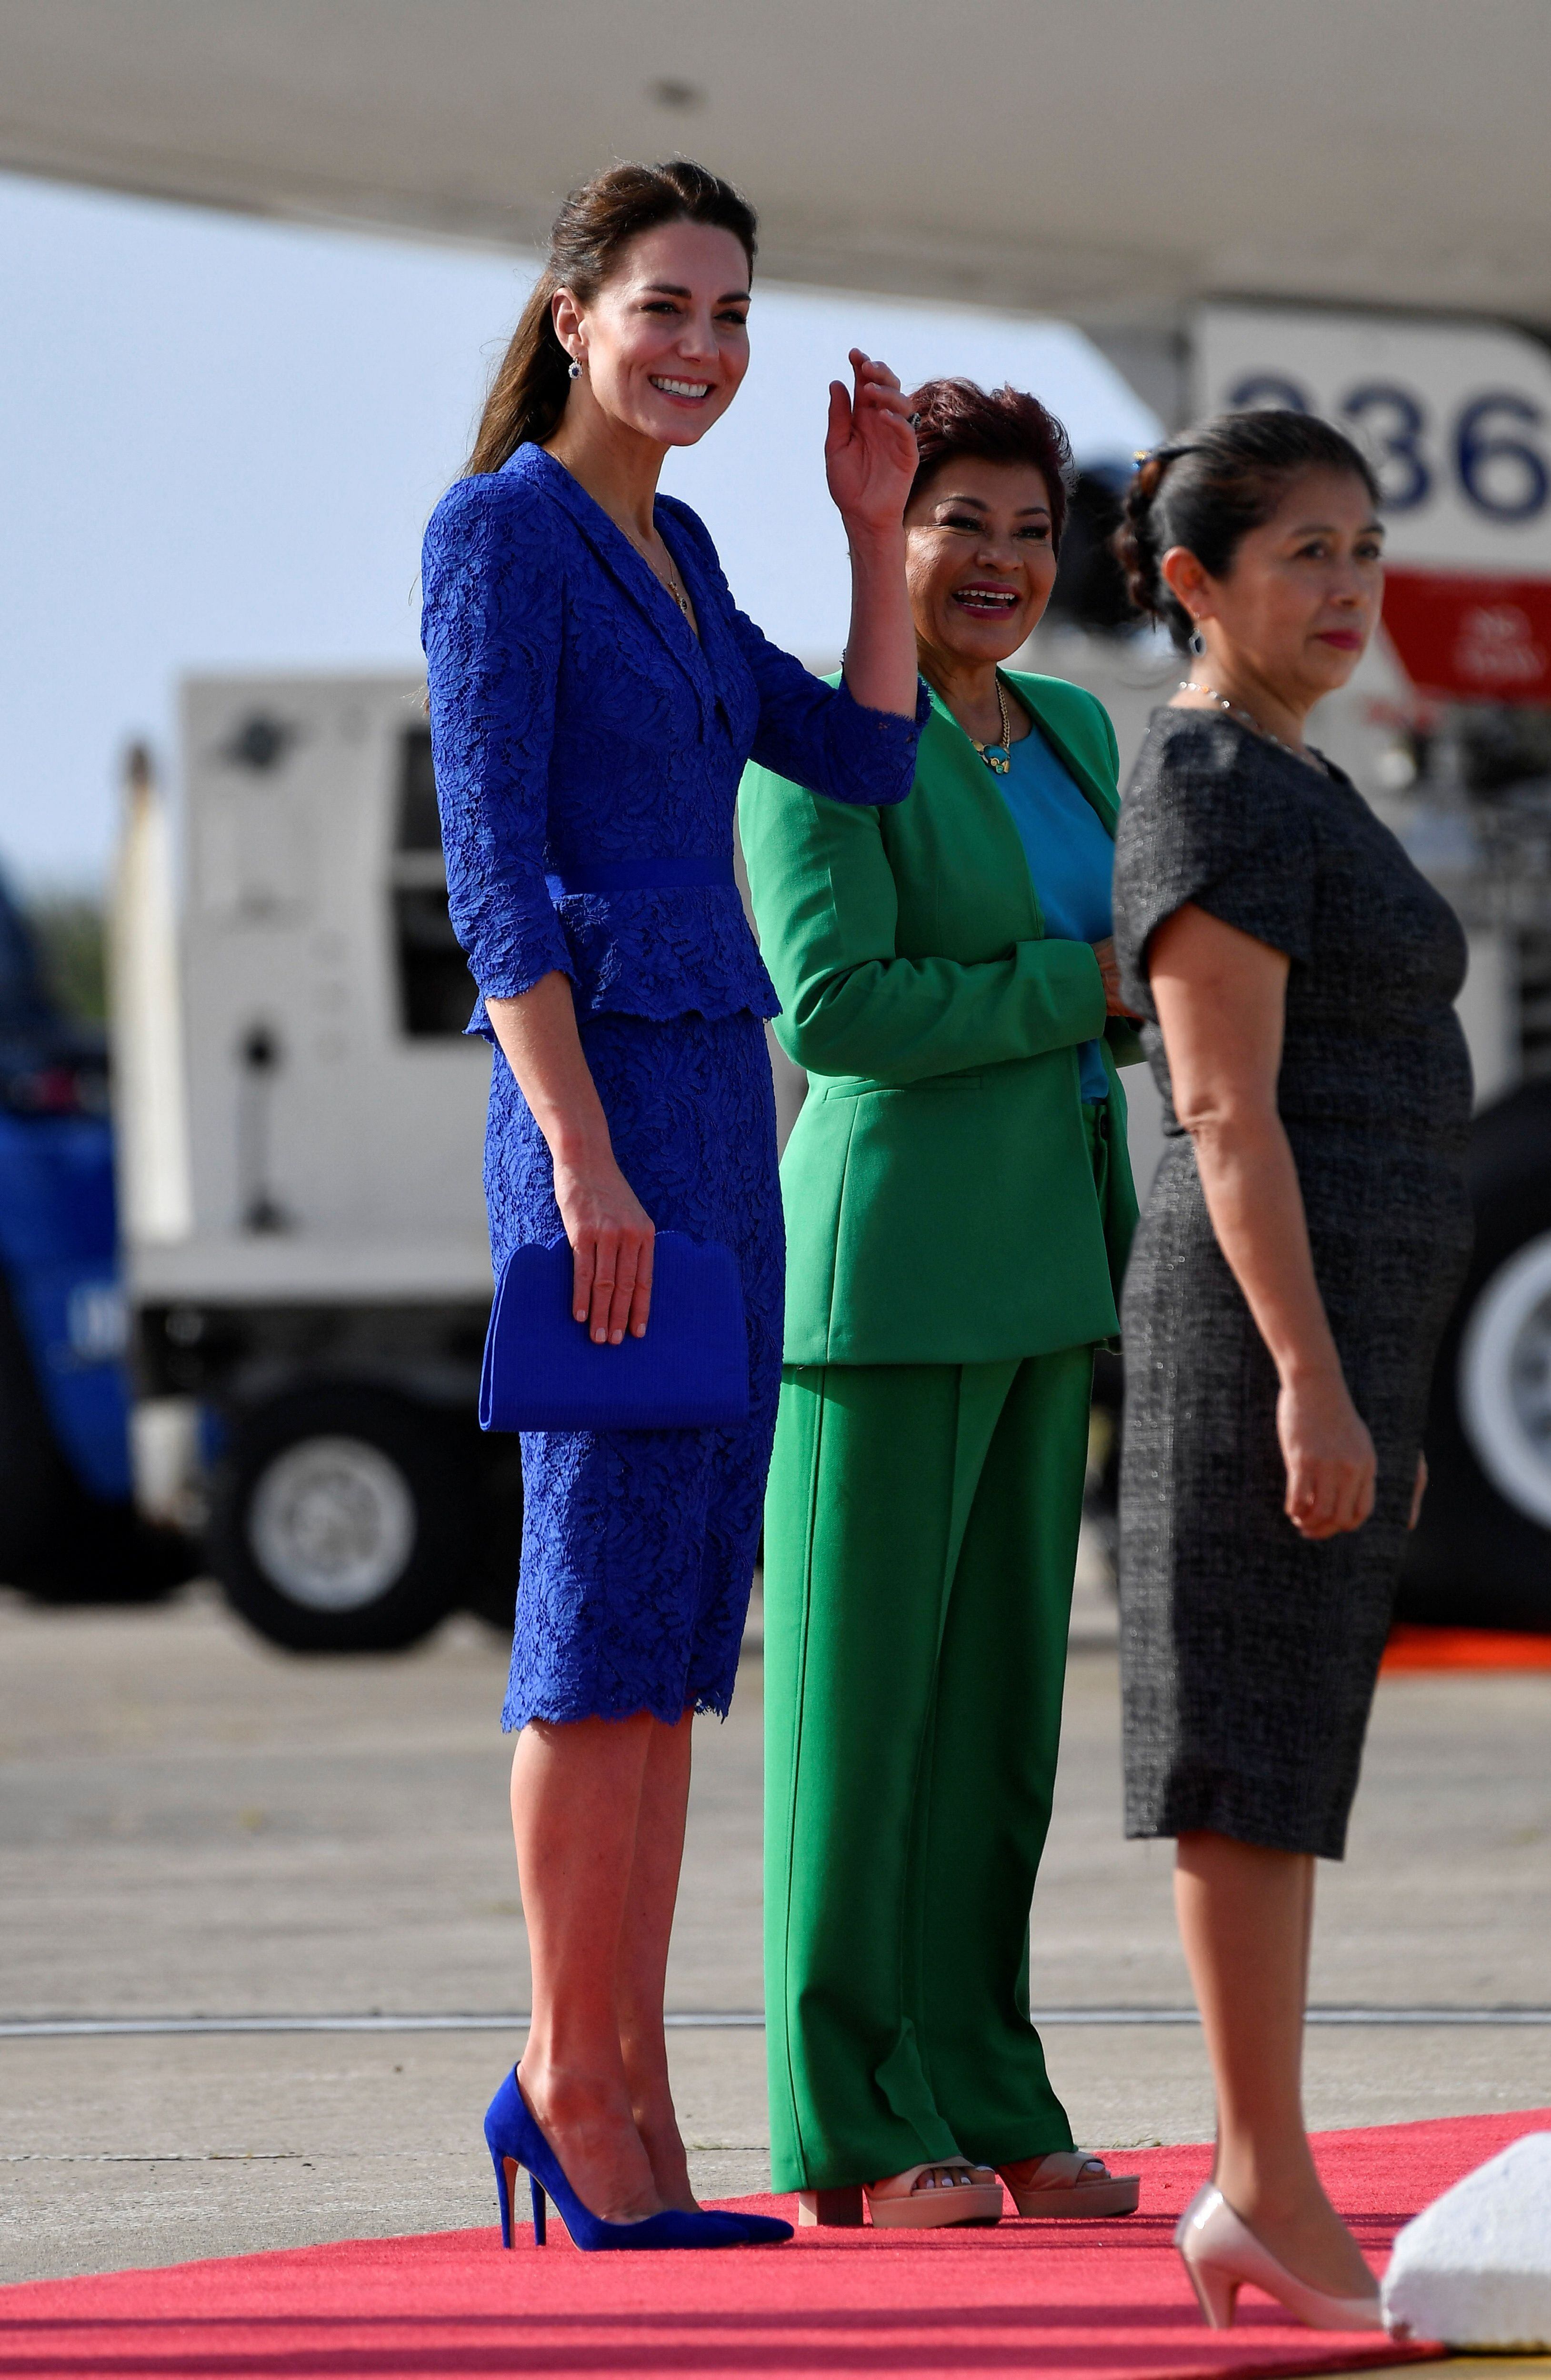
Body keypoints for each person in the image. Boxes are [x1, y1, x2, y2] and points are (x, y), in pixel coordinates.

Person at [421, 158, 926, 2252]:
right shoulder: (499, 538)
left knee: (669, 1631)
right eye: (664, 308)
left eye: (729, 312)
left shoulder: (686, 545)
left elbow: (871, 761)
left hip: (722, 1107)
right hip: (602, 1121)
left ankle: (623, 2080)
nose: (702, 347)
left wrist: (871, 534)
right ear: (570, 316)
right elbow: (490, 868)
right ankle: (572, 2080)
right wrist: (579, 1155)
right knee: (587, 1620)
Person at [739, 379, 1143, 2230]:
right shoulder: (819, 745)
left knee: (998, 1731)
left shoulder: (1068, 730)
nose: (995, 560)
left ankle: (991, 2087)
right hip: (884, 1279)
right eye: (955, 520)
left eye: (1025, 527)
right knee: (860, 1725)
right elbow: (836, 1012)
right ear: (886, 540)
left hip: (1048, 1261)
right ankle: (850, 2124)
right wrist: (1071, 986)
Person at [1110, 411, 1473, 2327]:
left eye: (1361, 546)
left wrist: (1361, 1383)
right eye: (1300, 554)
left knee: (1284, 1752)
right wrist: (1309, 1382)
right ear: (1193, 580)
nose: (1343, 586)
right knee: (1242, 1759)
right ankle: (1259, 2184)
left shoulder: (1287, 770)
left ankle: (1268, 2182)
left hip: (1322, 1334)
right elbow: (1222, 1109)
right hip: (1258, 1327)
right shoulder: (1213, 779)